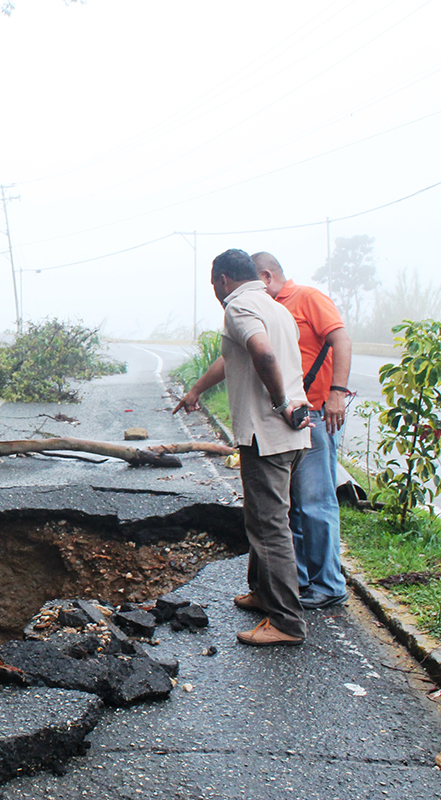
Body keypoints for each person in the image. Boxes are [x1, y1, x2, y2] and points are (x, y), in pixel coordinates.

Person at [176, 253, 352, 610]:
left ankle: (315, 592)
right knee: (285, 512)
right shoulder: (273, 307)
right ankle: (287, 585)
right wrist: (196, 390)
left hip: (300, 415)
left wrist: (325, 394)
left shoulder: (293, 301)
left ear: (226, 280)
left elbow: (273, 354)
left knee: (305, 508)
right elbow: (234, 358)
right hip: (293, 417)